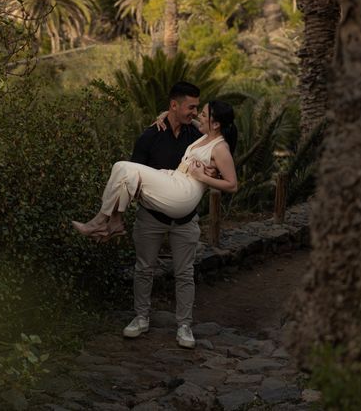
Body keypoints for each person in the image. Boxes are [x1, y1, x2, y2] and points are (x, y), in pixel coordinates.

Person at [72, 82, 238, 349]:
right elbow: (130, 182)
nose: (196, 114)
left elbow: (230, 180)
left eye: (201, 111)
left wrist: (202, 176)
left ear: (214, 122)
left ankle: (184, 325)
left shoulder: (199, 135)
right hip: (152, 215)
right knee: (143, 268)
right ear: (174, 106)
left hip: (183, 214)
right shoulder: (154, 135)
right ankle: (141, 317)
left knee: (184, 273)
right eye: (193, 108)